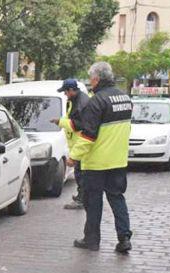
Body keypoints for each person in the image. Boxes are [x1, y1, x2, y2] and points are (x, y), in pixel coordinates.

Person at [67, 61, 133, 253]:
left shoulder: (96, 101)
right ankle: (124, 238)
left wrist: (74, 156)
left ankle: (92, 240)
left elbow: (88, 135)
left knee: (93, 201)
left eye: (91, 79)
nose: (90, 82)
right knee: (117, 198)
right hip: (118, 161)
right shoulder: (125, 98)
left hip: (96, 163)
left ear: (96, 79)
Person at [53, 78, 91, 209]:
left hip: (80, 144)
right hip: (77, 143)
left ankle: (82, 199)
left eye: (65, 92)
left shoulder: (80, 103)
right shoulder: (77, 100)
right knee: (80, 173)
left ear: (71, 90)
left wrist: (60, 122)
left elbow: (78, 125)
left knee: (81, 174)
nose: (65, 94)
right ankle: (82, 196)